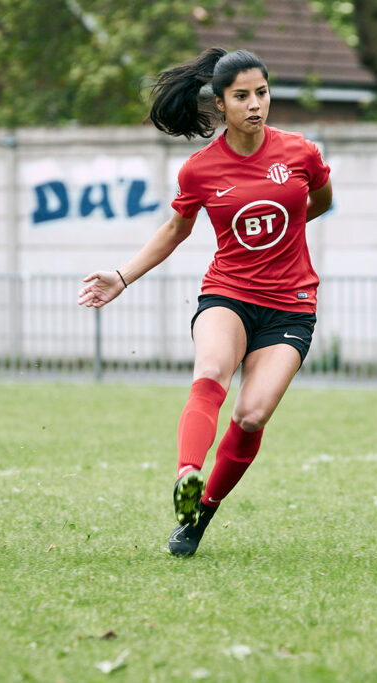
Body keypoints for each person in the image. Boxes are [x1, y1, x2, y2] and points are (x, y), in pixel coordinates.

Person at [77, 47, 333, 557]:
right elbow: (175, 230)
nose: (255, 104)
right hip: (229, 292)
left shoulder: (300, 152)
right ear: (220, 103)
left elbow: (320, 200)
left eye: (262, 93)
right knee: (212, 369)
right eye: (242, 96)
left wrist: (285, 244)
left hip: (292, 303)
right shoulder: (200, 171)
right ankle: (188, 473)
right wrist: (122, 277)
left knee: (252, 416)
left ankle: (198, 516)